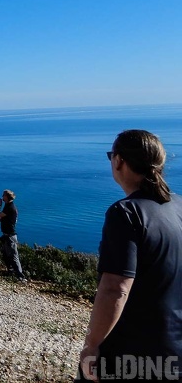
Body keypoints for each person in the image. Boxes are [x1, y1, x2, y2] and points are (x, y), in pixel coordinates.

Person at [77, 130, 182, 382]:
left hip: (135, 353)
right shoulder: (179, 206)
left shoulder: (125, 213)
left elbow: (115, 288)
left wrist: (91, 346)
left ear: (119, 161)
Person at [0, 189, 26, 281]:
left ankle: (20, 277)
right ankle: (10, 271)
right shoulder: (8, 206)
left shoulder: (9, 207)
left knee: (13, 256)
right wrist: (0, 220)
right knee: (5, 254)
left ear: (7, 197)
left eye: (3, 195)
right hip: (6, 235)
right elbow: (6, 217)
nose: (2, 196)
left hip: (10, 236)